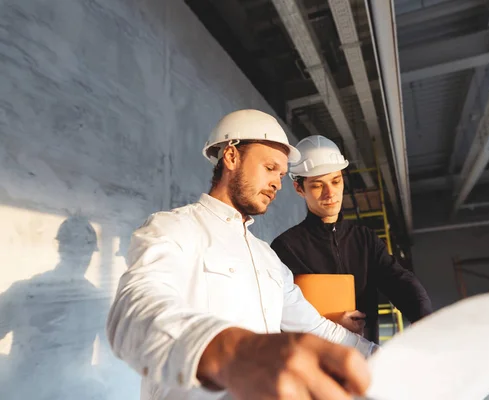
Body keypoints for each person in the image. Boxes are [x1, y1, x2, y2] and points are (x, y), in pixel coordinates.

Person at [106, 110, 377, 400]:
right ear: (231, 157)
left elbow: (315, 327)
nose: (277, 183)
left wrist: (381, 355)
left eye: (282, 175)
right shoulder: (173, 228)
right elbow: (133, 316)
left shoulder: (267, 258)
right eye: (270, 167)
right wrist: (235, 351)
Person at [270, 135, 432, 342]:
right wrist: (329, 323)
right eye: (318, 185)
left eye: (336, 181)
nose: (330, 193)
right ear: (299, 188)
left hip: (365, 353)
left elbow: (398, 280)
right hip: (315, 358)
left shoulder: (364, 239)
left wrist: (423, 317)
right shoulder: (287, 247)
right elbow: (281, 311)